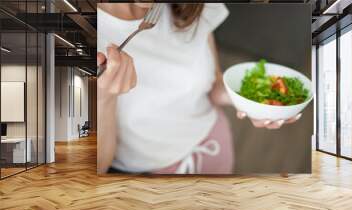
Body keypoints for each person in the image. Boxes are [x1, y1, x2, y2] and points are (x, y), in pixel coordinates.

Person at [97, 3, 302, 174]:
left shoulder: (190, 5)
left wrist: (251, 100)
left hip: (213, 144)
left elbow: (212, 85)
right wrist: (104, 98)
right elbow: (100, 166)